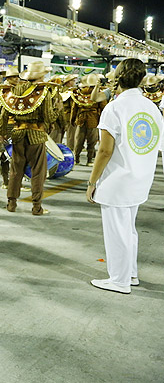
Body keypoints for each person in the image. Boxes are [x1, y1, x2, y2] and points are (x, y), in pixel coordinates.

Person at [86, 58, 164, 294]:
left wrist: (92, 182)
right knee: (128, 229)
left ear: (118, 77)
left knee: (117, 232)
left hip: (117, 181)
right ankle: (130, 274)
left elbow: (105, 150)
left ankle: (119, 281)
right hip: (140, 178)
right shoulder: (152, 107)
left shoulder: (115, 108)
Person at [0, 62, 55, 215]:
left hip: (17, 135)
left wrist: (2, 132)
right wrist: (57, 111)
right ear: (42, 76)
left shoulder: (14, 90)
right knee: (38, 171)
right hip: (36, 136)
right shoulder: (43, 92)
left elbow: (4, 114)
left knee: (16, 170)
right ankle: (36, 206)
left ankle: (11, 203)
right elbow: (49, 117)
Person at [71, 74, 106, 166]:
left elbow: (74, 109)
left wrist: (72, 119)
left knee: (78, 140)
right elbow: (103, 108)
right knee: (92, 141)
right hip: (93, 120)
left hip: (80, 119)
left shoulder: (79, 93)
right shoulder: (99, 93)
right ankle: (89, 160)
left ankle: (76, 158)